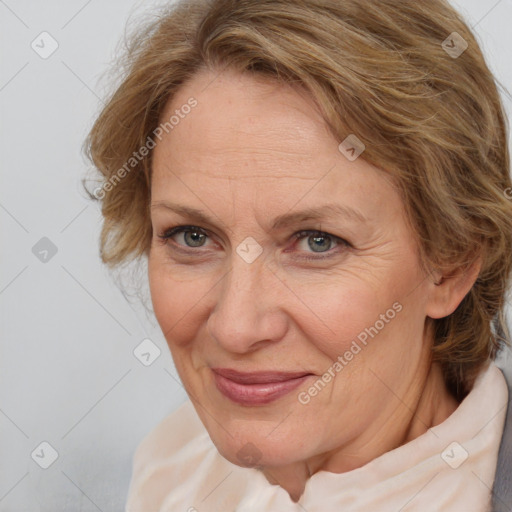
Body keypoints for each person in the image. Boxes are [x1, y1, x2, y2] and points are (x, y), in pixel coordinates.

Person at [85, 0, 512, 510]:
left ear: (451, 263)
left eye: (316, 241)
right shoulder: (170, 469)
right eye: (193, 237)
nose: (235, 328)